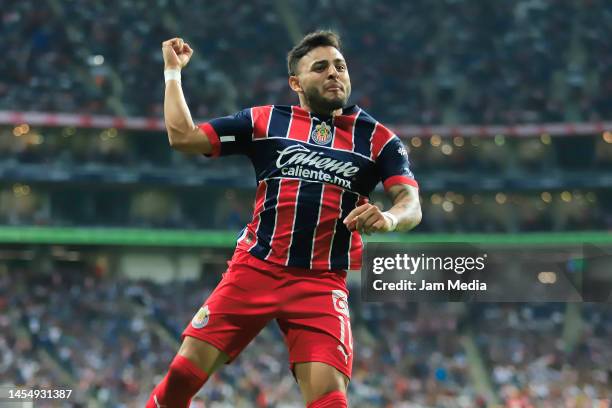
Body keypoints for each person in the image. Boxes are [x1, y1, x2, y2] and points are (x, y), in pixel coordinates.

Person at [147, 30, 422, 408]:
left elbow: (411, 202)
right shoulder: (265, 121)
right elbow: (183, 137)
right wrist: (173, 73)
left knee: (330, 401)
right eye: (321, 67)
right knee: (180, 376)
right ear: (296, 82)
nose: (333, 74)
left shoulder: (378, 139)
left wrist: (389, 219)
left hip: (321, 282)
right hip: (255, 268)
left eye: (340, 67)